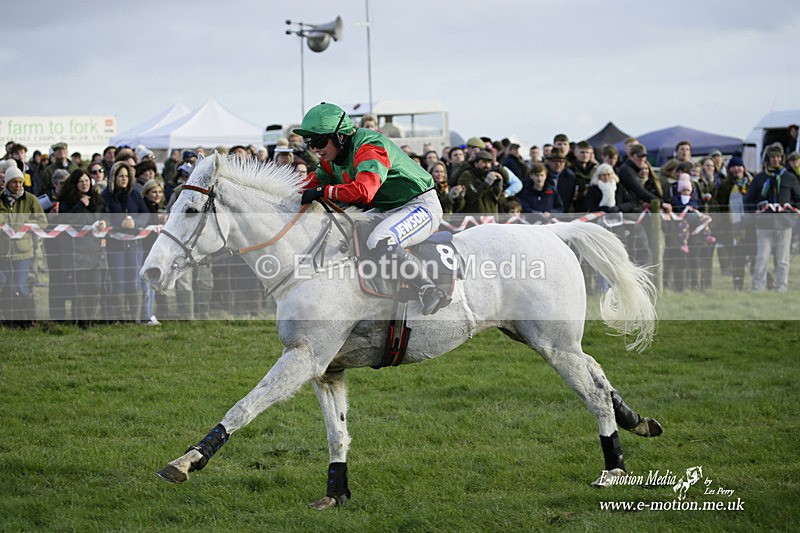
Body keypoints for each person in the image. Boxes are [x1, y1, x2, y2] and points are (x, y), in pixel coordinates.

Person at [293, 102, 450, 315]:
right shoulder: (332, 159)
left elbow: (364, 191)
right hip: (389, 208)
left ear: (340, 136)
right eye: (310, 143)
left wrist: (324, 191)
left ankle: (429, 289)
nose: (315, 149)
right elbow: (308, 185)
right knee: (347, 231)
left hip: (419, 204)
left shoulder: (369, 147)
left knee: (380, 240)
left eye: (320, 142)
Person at [744, 144, 800, 292]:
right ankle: (758, 287)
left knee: (783, 259)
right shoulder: (760, 178)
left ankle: (781, 287)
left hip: (784, 224)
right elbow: (748, 200)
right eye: (772, 157)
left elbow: (798, 198)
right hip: (764, 225)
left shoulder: (789, 178)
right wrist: (756, 215)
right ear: (768, 159)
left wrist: (793, 215)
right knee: (762, 257)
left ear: (782, 158)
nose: (776, 160)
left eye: (778, 157)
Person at [59, 169, 108, 327]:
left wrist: (105, 223)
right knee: (79, 287)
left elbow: (106, 214)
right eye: (80, 181)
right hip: (76, 250)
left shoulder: (97, 198)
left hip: (95, 249)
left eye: (86, 180)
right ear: (75, 183)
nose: (84, 184)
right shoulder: (67, 200)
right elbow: (66, 220)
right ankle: (80, 320)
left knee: (95, 286)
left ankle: (90, 318)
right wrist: (80, 205)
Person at [0, 164, 48, 327]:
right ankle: (10, 320)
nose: (18, 185)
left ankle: (29, 318)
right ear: (7, 183)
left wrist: (27, 224)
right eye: (14, 182)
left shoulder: (31, 199)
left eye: (20, 182)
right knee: (7, 287)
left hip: (24, 251)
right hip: (3, 252)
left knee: (20, 285)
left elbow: (43, 222)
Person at [101, 161, 149, 321]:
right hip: (115, 245)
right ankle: (120, 318)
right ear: (113, 177)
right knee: (118, 281)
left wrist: (136, 222)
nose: (124, 179)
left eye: (126, 176)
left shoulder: (135, 194)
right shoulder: (106, 196)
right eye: (121, 176)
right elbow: (104, 216)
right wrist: (117, 224)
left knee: (134, 281)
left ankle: (134, 317)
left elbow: (145, 214)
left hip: (135, 245)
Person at [457, 149, 508, 214]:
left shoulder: (492, 175)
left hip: (490, 215)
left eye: (489, 163)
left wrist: (499, 186)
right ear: (476, 163)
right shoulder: (467, 175)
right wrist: (486, 183)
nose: (487, 165)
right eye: (484, 162)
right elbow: (469, 198)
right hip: (475, 216)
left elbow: (500, 200)